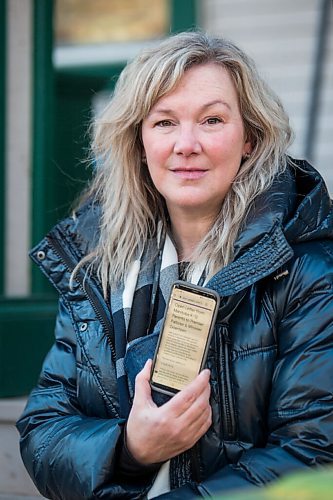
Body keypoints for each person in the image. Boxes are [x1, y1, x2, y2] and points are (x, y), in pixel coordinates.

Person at [17, 31, 333, 499]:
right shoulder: (98, 267)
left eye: (211, 120)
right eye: (165, 122)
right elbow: (43, 431)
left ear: (249, 137)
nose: (186, 144)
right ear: (139, 141)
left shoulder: (308, 270)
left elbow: (313, 454)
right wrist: (129, 447)